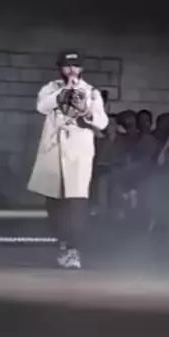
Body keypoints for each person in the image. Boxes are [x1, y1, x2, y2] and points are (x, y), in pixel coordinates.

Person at [28, 51, 109, 269]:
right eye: (67, 66)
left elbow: (102, 122)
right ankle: (63, 243)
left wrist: (85, 110)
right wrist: (61, 94)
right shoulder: (51, 88)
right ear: (60, 68)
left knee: (76, 202)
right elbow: (41, 107)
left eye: (75, 66)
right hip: (54, 151)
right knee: (54, 203)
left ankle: (74, 249)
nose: (71, 70)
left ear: (81, 69)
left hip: (77, 153)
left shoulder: (91, 92)